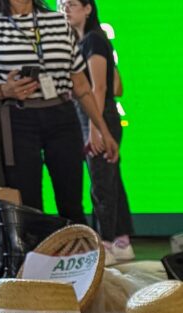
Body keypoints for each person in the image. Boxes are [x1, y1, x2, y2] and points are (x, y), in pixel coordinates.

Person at [0, 0, 118, 222]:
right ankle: (34, 245)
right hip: (17, 118)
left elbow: (81, 86)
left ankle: (74, 243)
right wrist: (4, 89)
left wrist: (103, 130)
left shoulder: (57, 21)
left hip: (62, 113)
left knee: (72, 203)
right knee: (28, 205)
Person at [61, 0, 134, 264]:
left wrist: (95, 128)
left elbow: (101, 88)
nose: (65, 9)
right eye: (61, 4)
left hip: (99, 119)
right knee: (111, 181)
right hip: (94, 118)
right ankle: (121, 241)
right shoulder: (80, 42)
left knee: (102, 184)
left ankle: (104, 244)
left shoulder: (93, 40)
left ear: (88, 8)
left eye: (71, 4)